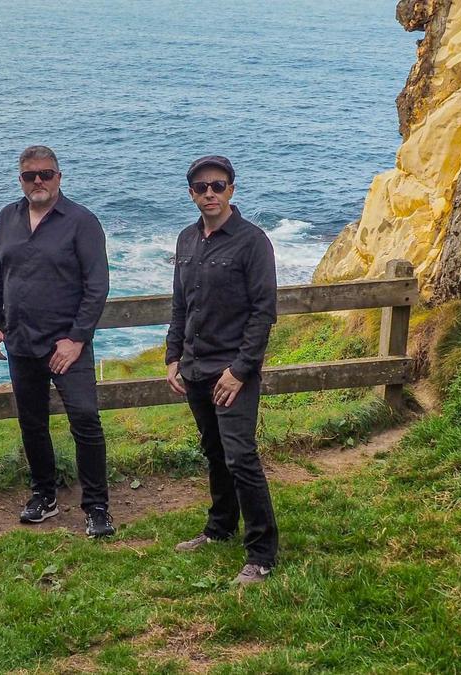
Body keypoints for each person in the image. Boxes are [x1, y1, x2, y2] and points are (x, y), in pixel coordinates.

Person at [0, 145, 115, 538]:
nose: (38, 181)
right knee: (32, 423)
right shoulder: (8, 217)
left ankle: (97, 506)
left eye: (46, 174)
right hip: (21, 342)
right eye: (29, 175)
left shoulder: (81, 221)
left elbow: (97, 286)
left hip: (67, 346)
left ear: (59, 176)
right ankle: (44, 495)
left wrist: (75, 340)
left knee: (86, 421)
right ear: (20, 179)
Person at [165, 155, 279, 586]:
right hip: (194, 365)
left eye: (217, 185)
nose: (209, 193)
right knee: (214, 452)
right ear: (191, 193)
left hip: (232, 370)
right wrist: (172, 356)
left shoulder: (252, 241)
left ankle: (262, 553)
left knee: (240, 457)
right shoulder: (186, 240)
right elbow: (181, 304)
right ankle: (219, 528)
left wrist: (240, 371)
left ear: (231, 189)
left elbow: (263, 312)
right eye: (200, 187)